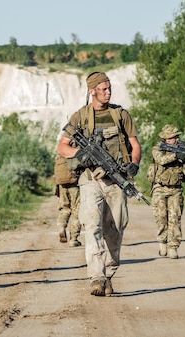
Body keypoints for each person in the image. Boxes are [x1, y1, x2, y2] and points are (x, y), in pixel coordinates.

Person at [57, 71, 141, 297]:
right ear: (91, 90)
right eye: (103, 89)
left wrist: (134, 164)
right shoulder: (80, 116)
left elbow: (135, 144)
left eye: (109, 88)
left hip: (117, 182)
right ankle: (96, 277)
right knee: (92, 227)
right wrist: (80, 153)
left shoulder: (121, 114)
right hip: (90, 181)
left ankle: (109, 274)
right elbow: (62, 147)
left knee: (115, 230)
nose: (108, 92)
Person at [147, 124, 185, 260]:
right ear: (165, 139)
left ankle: (173, 246)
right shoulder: (158, 149)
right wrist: (176, 155)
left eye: (176, 137)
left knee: (175, 218)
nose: (175, 140)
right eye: (172, 138)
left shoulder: (181, 150)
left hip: (176, 188)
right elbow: (161, 160)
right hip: (159, 188)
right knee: (161, 217)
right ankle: (162, 241)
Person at [53, 154, 81, 246]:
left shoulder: (61, 151)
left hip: (62, 184)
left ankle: (61, 227)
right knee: (76, 210)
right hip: (75, 183)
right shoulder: (76, 149)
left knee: (64, 208)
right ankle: (73, 239)